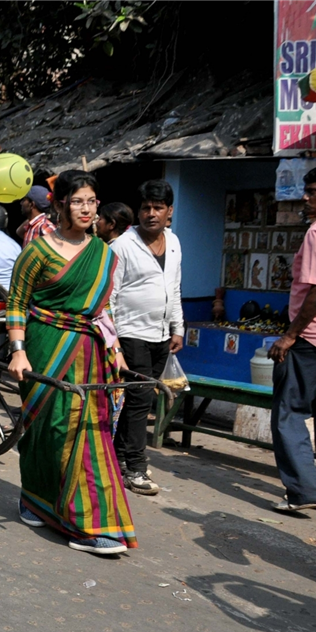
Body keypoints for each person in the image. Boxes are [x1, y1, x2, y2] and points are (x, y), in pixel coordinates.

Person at [7, 170, 135, 555]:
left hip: (91, 352)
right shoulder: (37, 251)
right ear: (60, 204)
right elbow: (17, 303)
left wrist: (116, 349)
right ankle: (34, 499)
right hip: (45, 346)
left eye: (91, 202)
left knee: (86, 432)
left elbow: (103, 308)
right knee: (46, 429)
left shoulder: (103, 254)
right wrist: (18, 350)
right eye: (77, 201)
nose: (86, 209)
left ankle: (89, 523)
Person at [110, 180, 184, 496]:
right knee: (140, 401)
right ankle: (136, 468)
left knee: (139, 401)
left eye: (158, 207)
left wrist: (178, 327)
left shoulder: (174, 242)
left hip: (161, 335)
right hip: (130, 333)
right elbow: (110, 296)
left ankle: (118, 458)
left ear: (169, 211)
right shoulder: (122, 246)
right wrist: (113, 342)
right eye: (145, 208)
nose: (151, 213)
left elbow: (174, 287)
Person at [269, 162, 316, 514]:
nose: (305, 199)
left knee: (288, 412)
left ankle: (303, 488)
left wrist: (290, 336)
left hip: (314, 336)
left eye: (313, 192)